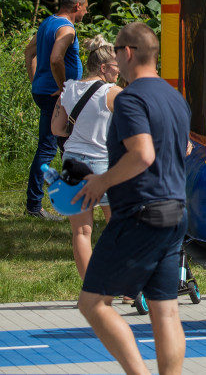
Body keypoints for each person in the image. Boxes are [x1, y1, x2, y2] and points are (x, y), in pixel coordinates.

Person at [73, 22, 190, 375]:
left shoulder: (130, 98)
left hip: (141, 213)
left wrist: (101, 182)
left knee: (92, 303)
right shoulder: (176, 98)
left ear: (127, 53)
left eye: (115, 51)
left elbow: (142, 154)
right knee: (165, 309)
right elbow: (180, 151)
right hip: (176, 211)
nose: (113, 59)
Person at [50, 36, 121, 280]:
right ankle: (124, 288)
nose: (119, 70)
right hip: (103, 165)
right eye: (116, 66)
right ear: (103, 68)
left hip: (72, 163)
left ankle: (91, 290)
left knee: (81, 231)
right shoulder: (113, 93)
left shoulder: (67, 90)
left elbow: (57, 130)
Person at [24, 0, 88, 219]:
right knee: (50, 147)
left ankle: (75, 195)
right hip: (56, 96)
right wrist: (63, 89)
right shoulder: (66, 29)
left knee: (68, 144)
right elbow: (55, 58)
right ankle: (34, 205)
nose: (86, 13)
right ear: (77, 6)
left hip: (44, 92)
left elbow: (28, 52)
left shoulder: (47, 23)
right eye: (86, 8)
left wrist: (36, 82)